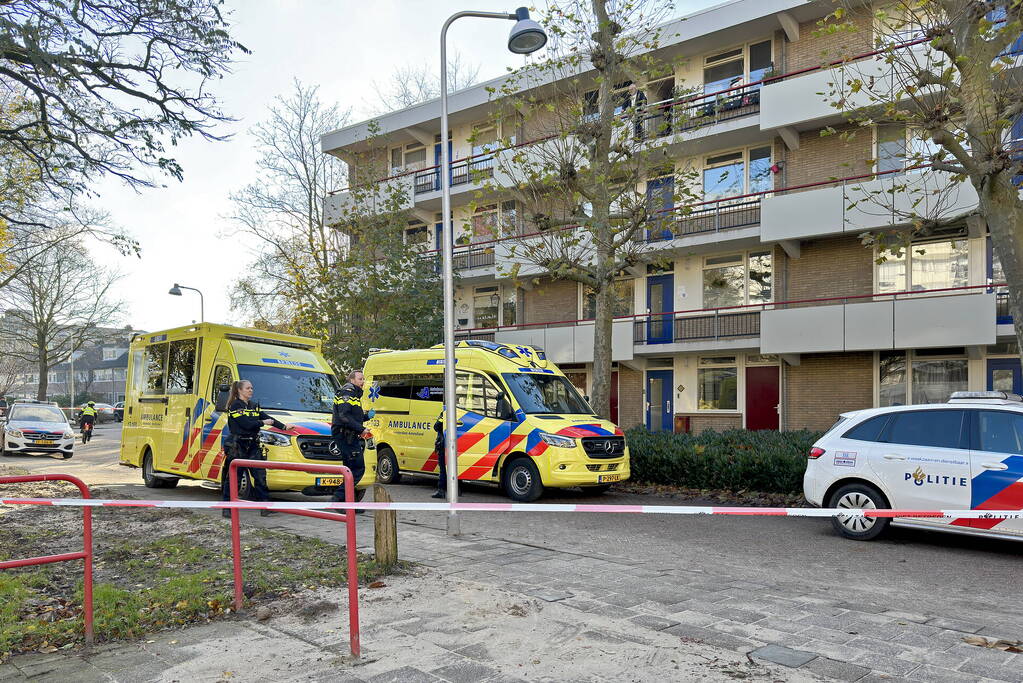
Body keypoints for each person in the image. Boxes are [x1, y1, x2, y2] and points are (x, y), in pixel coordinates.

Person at [223, 380, 291, 518]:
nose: (251, 390)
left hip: (253, 446)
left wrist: (284, 427)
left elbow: (267, 418)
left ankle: (265, 506)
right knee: (233, 479)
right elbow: (246, 424)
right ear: (239, 390)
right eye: (248, 388)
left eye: (252, 388)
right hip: (238, 446)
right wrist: (262, 423)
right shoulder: (235, 405)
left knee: (260, 476)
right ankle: (227, 508)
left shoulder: (254, 406)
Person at [330, 370, 375, 511]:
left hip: (349, 434)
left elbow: (353, 416)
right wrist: (361, 429)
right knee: (357, 468)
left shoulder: (354, 394)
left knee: (350, 469)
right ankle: (338, 500)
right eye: (360, 379)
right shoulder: (347, 392)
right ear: (352, 380)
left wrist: (367, 416)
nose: (363, 382)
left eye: (363, 379)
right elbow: (343, 416)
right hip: (346, 435)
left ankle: (348, 503)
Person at [432, 410, 448, 499]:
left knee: (443, 469)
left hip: (443, 445)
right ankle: (457, 489)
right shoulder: (460, 413)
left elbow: (436, 426)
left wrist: (442, 417)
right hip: (455, 445)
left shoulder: (444, 413)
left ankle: (441, 490)